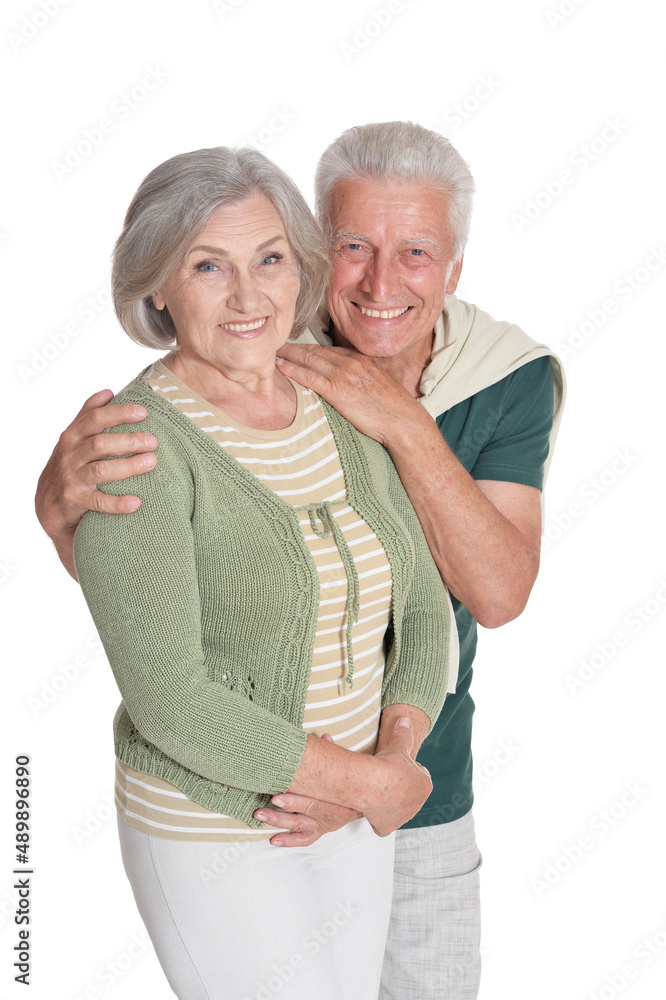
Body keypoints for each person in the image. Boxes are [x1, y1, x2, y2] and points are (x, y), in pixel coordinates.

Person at [36, 122, 566, 1000]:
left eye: (418, 252)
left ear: (456, 268)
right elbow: (167, 668)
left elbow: (467, 598)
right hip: (239, 819)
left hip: (408, 787)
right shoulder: (195, 409)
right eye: (354, 245)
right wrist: (56, 503)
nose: (381, 281)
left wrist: (387, 768)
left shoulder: (438, 385)